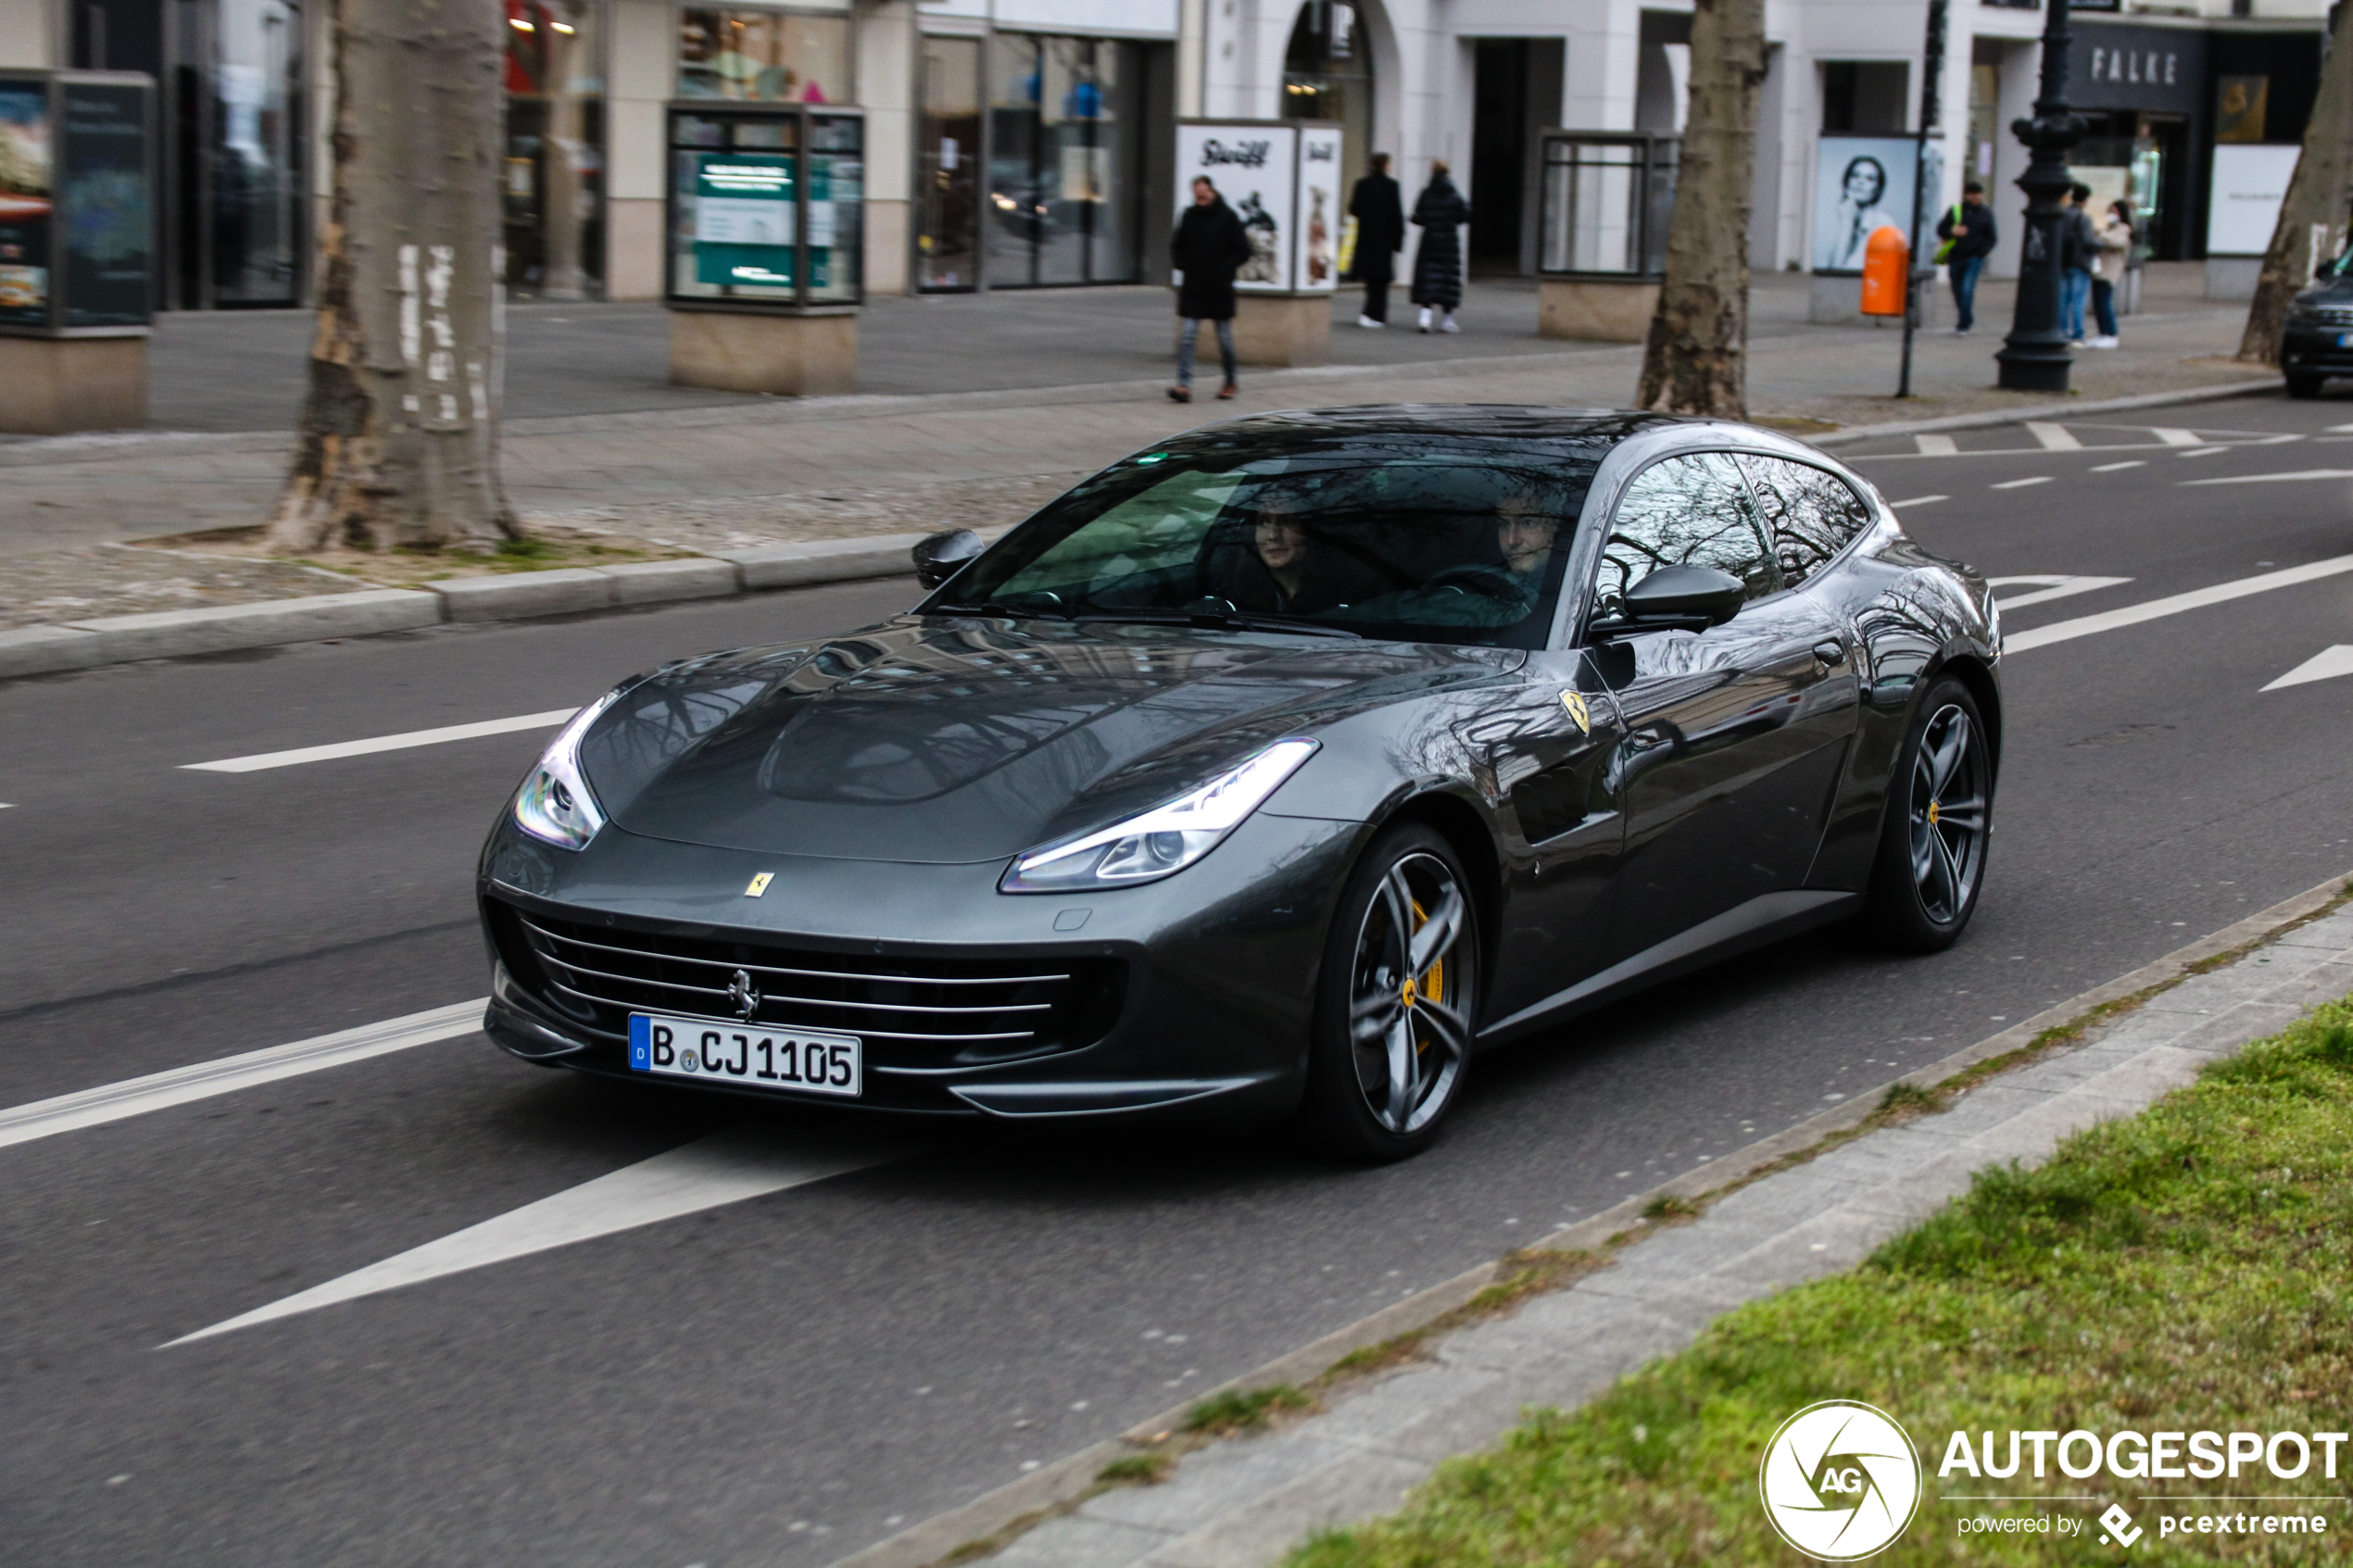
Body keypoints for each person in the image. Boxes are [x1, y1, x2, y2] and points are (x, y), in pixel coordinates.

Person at [1169, 176, 1252, 405]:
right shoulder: (1188, 216)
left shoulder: (1228, 217)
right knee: (1187, 335)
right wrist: (1182, 263)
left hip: (1219, 286)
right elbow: (1177, 245)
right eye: (1197, 197)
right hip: (1194, 284)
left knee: (1224, 337)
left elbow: (1243, 250)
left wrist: (1224, 269)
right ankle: (1184, 385)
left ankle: (1230, 380)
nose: (1200, 201)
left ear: (1212, 192)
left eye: (1204, 197)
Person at [1408, 161, 1471, 333]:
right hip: (1449, 242)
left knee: (1428, 278)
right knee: (1447, 280)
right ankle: (1447, 320)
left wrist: (1428, 221)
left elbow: (1417, 217)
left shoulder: (1426, 193)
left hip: (1429, 241)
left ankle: (1425, 318)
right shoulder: (1454, 193)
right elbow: (1464, 215)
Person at [1348, 153, 1405, 329]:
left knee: (1371, 279)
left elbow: (1354, 209)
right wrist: (1398, 241)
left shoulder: (1362, 185)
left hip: (1367, 237)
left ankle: (1371, 313)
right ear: (1386, 165)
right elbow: (1397, 215)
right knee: (1382, 280)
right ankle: (1377, 314)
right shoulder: (1392, 186)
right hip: (1385, 239)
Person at [1934, 181, 1997, 336]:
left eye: (1978, 194)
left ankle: (1963, 325)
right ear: (1966, 195)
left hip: (1974, 258)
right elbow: (1941, 229)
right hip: (1956, 256)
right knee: (1957, 291)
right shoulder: (1956, 211)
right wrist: (1952, 232)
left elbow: (1992, 237)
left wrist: (1982, 252)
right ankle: (1966, 318)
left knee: (1967, 289)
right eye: (1972, 194)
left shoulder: (1986, 213)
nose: (1976, 197)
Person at [1821, 155, 1898, 271]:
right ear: (1847, 182)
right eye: (1855, 176)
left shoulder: (1884, 224)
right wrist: (1846, 222)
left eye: (1870, 179)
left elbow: (1849, 271)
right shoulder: (1836, 217)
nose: (1860, 182)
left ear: (1877, 189)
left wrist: (1847, 223)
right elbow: (1831, 271)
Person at [2085, 199, 2133, 348]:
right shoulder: (2109, 228)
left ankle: (2111, 334)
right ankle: (2102, 334)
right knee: (2098, 304)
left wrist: (2101, 233)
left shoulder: (2123, 228)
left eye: (2114, 211)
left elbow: (2116, 242)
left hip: (2109, 272)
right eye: (2109, 211)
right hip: (2099, 271)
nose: (2111, 214)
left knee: (2105, 303)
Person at [2059, 183, 2096, 346]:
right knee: (2078, 300)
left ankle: (2061, 331)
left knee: (2063, 299)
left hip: (2063, 262)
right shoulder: (2084, 218)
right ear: (2085, 199)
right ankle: (2077, 334)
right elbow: (2088, 241)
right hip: (2079, 262)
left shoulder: (2061, 215)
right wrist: (2100, 244)